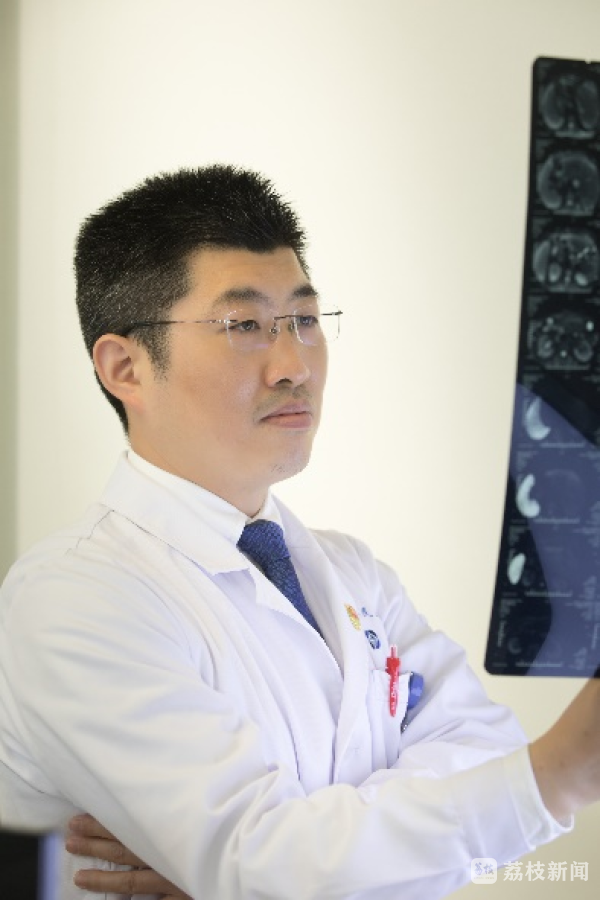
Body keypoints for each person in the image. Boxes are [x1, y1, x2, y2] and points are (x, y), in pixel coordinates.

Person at [1, 164, 599, 900]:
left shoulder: (352, 572)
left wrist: (280, 866)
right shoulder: (75, 600)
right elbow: (261, 862)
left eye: (305, 321)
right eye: (244, 326)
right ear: (125, 367)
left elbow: (484, 751)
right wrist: (561, 773)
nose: (294, 366)